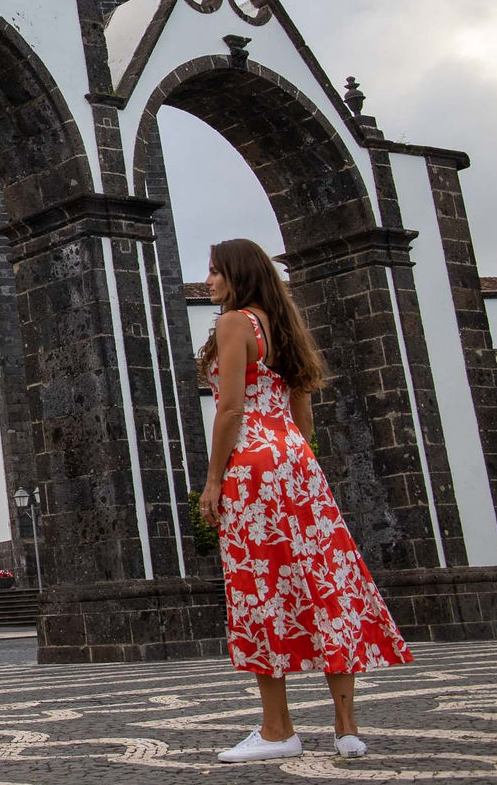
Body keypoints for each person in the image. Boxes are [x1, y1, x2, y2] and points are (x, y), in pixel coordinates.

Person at [199, 238, 411, 763]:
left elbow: (230, 409)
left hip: (252, 464)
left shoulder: (234, 324)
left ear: (237, 274)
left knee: (260, 589)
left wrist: (214, 479)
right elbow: (304, 416)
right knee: (323, 582)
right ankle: (346, 728)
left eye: (215, 271)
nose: (208, 281)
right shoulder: (286, 327)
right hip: (297, 462)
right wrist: (295, 462)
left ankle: (278, 730)